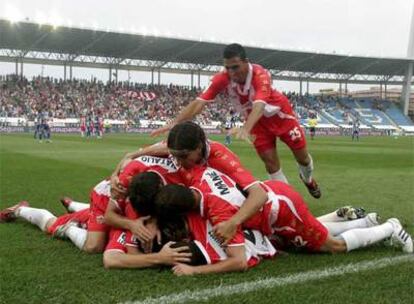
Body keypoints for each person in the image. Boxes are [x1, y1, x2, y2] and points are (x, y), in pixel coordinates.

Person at [150, 43, 321, 198]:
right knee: (271, 163)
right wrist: (174, 122)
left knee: (303, 159)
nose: (232, 72)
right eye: (228, 68)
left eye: (236, 67)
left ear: (246, 62)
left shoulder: (260, 75)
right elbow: (199, 102)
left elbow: (259, 106)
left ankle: (308, 179)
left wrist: (245, 128)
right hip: (258, 125)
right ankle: (288, 199)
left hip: (281, 117)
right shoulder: (222, 78)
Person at [153, 168, 413, 255]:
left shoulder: (216, 210)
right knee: (308, 235)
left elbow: (237, 260)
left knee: (330, 246)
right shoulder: (199, 178)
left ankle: (391, 227)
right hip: (269, 199)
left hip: (280, 207)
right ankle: (366, 221)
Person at [111, 122, 268, 244]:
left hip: (223, 211)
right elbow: (132, 156)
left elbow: (259, 194)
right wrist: (115, 175)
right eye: (175, 156)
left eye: (183, 157)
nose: (178, 161)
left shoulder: (220, 157)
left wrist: (233, 223)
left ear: (199, 148)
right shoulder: (178, 148)